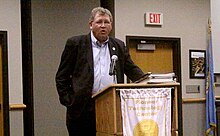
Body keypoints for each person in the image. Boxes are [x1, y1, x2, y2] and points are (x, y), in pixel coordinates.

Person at [55, 7, 144, 136]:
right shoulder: (76, 44)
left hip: (111, 107)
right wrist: (69, 101)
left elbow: (132, 70)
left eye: (106, 22)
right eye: (99, 22)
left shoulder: (118, 45)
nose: (103, 26)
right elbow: (61, 77)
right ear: (91, 25)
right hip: (82, 109)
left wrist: (148, 82)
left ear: (111, 26)